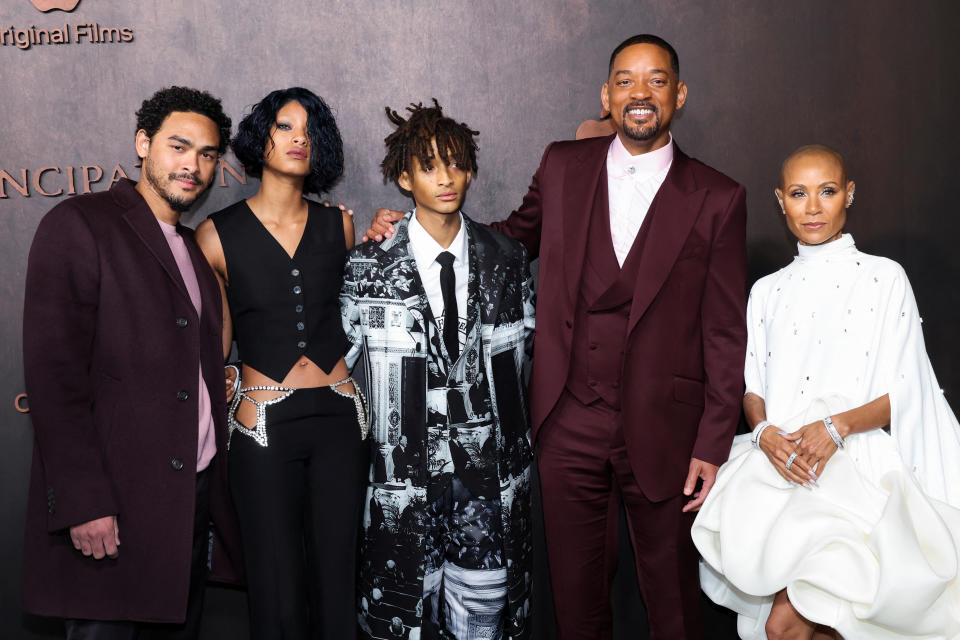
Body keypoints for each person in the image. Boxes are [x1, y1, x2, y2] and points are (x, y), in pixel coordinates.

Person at [363, 35, 747, 638]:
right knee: (574, 598)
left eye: (655, 80)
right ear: (606, 95)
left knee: (671, 599)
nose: (639, 94)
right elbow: (508, 241)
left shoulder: (720, 197)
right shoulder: (563, 165)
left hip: (668, 428)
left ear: (679, 93)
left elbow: (726, 331)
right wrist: (413, 229)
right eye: (625, 80)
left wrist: (712, 441)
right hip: (568, 419)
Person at [693, 145, 960, 639]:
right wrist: (766, 431)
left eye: (827, 191)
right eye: (798, 193)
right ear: (781, 200)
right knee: (796, 626)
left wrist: (837, 428)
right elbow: (753, 389)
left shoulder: (885, 278)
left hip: (859, 468)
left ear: (849, 195)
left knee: (820, 624)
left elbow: (907, 391)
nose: (813, 207)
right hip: (785, 468)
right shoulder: (766, 290)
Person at [21, 86, 242, 639]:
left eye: (208, 154)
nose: (192, 165)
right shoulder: (80, 223)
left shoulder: (191, 248)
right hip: (113, 506)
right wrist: (82, 502)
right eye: (178, 146)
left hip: (188, 503)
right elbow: (54, 379)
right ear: (143, 144)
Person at [342, 99, 536, 639]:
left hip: (492, 482)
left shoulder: (508, 258)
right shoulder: (368, 266)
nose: (446, 178)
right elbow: (339, 369)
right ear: (404, 178)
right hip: (402, 481)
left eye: (455, 163)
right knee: (404, 621)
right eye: (428, 166)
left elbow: (527, 364)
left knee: (484, 621)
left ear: (471, 169)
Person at [196, 87, 369, 640]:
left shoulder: (339, 226)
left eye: (309, 130)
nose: (299, 138)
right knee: (275, 589)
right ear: (258, 138)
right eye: (285, 126)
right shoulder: (215, 234)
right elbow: (214, 342)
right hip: (262, 424)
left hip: (341, 420)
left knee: (340, 579)